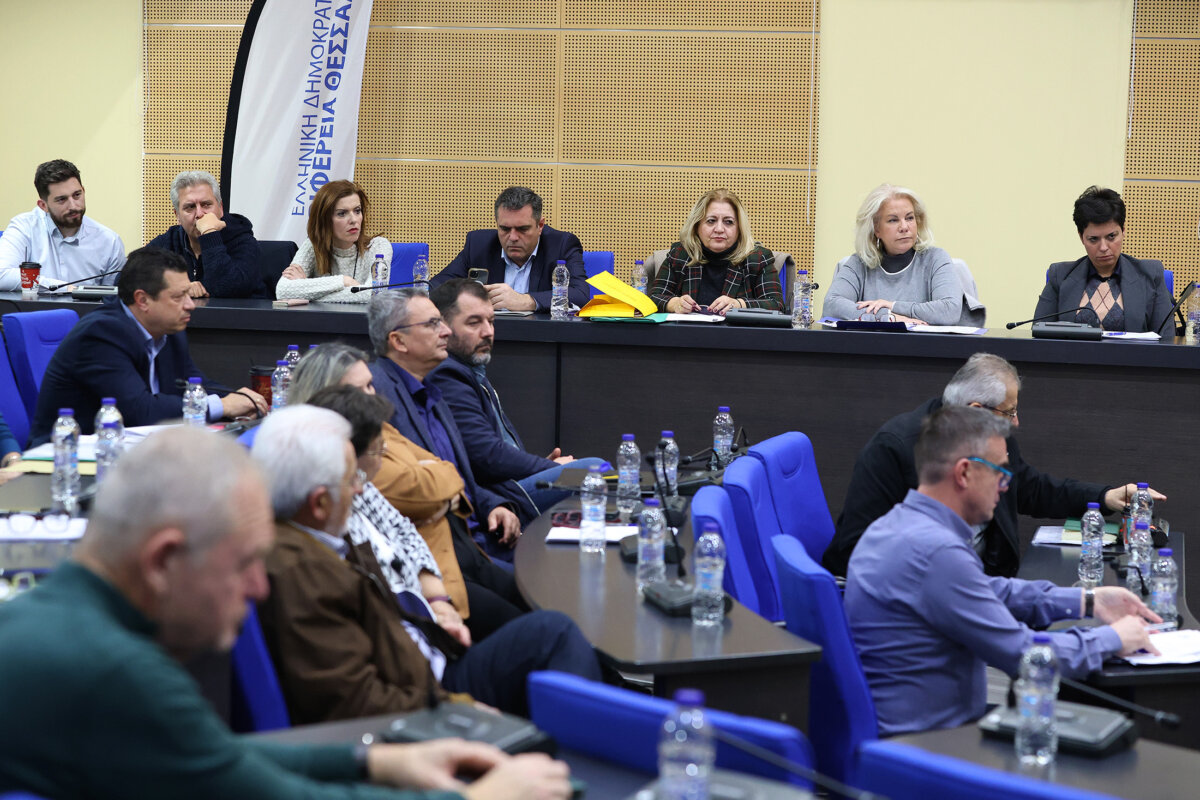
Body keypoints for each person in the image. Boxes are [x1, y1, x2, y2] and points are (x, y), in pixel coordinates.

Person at [0, 426, 574, 800]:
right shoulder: (120, 673)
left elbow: (219, 758)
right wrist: (478, 797)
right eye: (244, 563)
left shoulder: (55, 619)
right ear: (163, 560)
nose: (258, 587)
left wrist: (374, 764)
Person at [252, 404, 602, 723]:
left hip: (431, 661)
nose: (362, 491)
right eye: (352, 480)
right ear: (318, 503)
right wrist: (457, 705)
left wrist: (436, 613)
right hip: (428, 704)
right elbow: (357, 701)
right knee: (555, 634)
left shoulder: (329, 535)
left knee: (553, 630)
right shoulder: (303, 577)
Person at [845, 405, 1159, 736]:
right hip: (929, 746)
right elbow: (1025, 656)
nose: (1005, 486)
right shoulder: (937, 553)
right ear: (964, 473)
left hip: (913, 732)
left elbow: (986, 590)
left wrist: (1088, 600)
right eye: (1000, 472)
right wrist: (1112, 638)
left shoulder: (894, 526)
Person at [824, 353, 1165, 578]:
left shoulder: (993, 437)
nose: (1016, 422)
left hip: (986, 583)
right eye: (1009, 412)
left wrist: (1105, 496)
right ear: (977, 410)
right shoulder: (894, 449)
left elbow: (1030, 488)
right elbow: (854, 549)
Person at [292, 343, 531, 639]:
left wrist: (443, 491)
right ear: (327, 396)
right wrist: (439, 490)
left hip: (464, 549)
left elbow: (448, 470)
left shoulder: (381, 428)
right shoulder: (347, 455)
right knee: (539, 628)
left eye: (370, 385)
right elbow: (420, 491)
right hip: (441, 574)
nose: (372, 396)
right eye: (359, 389)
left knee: (542, 602)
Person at [29, 247, 267, 444]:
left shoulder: (169, 329)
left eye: (188, 294)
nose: (190, 305)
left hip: (132, 449)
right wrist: (222, 405)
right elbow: (139, 410)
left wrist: (238, 398)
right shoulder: (101, 334)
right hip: (65, 456)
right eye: (178, 297)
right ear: (142, 300)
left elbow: (194, 384)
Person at [368, 290, 533, 561]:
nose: (446, 331)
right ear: (398, 341)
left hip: (481, 534)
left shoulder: (430, 391)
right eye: (433, 324)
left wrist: (493, 505)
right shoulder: (378, 395)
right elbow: (405, 488)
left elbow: (460, 477)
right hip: (442, 550)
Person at [429, 279, 605, 511]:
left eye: (491, 321)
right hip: (496, 498)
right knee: (593, 470)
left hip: (509, 483)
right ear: (442, 328)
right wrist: (546, 467)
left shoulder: (470, 368)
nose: (488, 332)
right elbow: (486, 455)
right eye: (474, 323)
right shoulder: (447, 374)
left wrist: (537, 467)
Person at [821, 183, 981, 325]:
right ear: (876, 229)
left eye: (910, 218)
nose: (904, 227)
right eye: (893, 220)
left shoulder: (935, 258)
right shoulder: (859, 263)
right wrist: (888, 317)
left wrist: (893, 306)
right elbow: (831, 305)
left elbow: (949, 311)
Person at [1035, 186, 1174, 335]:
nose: (1103, 247)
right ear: (1081, 237)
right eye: (1093, 239)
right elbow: (1039, 335)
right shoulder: (1060, 276)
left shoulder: (1150, 274)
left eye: (1111, 237)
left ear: (1123, 231)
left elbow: (1166, 339)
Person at [430, 187, 588, 312]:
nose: (513, 237)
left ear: (540, 226)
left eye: (522, 229)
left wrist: (527, 301)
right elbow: (434, 287)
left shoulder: (561, 245)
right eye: (505, 229)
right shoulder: (478, 245)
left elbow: (580, 295)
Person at [649, 188, 784, 315]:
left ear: (739, 228)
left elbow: (776, 305)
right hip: (687, 331)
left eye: (728, 222)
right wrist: (675, 304)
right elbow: (653, 299)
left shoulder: (757, 258)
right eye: (711, 221)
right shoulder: (681, 254)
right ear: (697, 226)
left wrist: (738, 304)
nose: (719, 229)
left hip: (737, 332)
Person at [0, 159, 125, 290]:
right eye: (62, 199)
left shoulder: (110, 242)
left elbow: (113, 298)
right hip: (34, 304)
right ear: (43, 206)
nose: (73, 206)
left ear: (83, 190)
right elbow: (1, 275)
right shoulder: (24, 227)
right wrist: (62, 288)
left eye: (77, 195)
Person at [146, 170, 262, 298]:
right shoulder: (168, 242)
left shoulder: (243, 241)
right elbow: (131, 281)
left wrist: (209, 233)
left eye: (206, 205)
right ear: (177, 215)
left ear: (220, 208)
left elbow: (227, 290)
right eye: (190, 207)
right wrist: (179, 289)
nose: (200, 214)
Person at [276, 179, 391, 303]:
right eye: (342, 213)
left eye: (357, 211)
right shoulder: (313, 246)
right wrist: (344, 281)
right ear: (324, 220)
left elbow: (374, 294)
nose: (353, 220)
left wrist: (305, 288)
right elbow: (282, 290)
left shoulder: (378, 246)